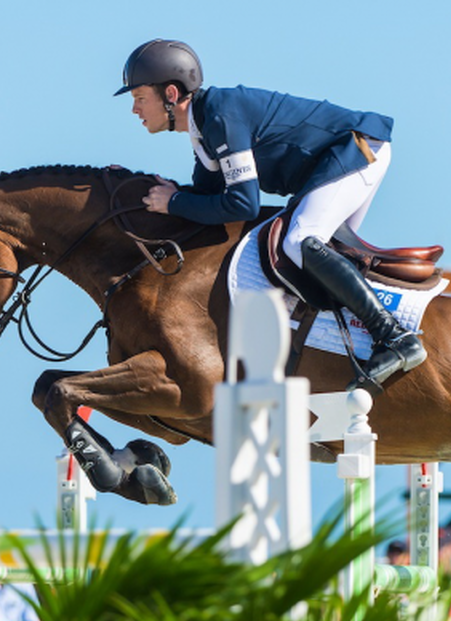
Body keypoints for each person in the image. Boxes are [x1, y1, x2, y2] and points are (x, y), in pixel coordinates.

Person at [117, 39, 427, 389]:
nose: (135, 110)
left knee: (300, 240)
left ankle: (397, 338)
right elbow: (207, 195)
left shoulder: (221, 115)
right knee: (312, 265)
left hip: (355, 149)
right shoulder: (203, 129)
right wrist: (162, 196)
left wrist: (173, 203)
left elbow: (242, 205)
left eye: (139, 98)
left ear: (170, 94)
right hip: (336, 162)